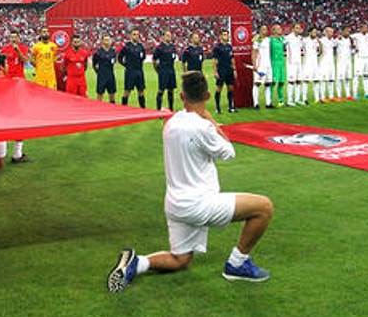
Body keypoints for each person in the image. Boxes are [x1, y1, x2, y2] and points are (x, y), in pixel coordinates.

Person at [106, 71, 274, 292]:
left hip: (175, 204)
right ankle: (237, 263)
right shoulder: (203, 127)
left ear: (182, 96)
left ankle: (137, 263)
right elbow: (229, 151)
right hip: (199, 204)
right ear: (207, 96)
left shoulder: (171, 122)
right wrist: (210, 118)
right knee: (264, 207)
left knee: (181, 260)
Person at [118, 29, 147, 108]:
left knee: (141, 91)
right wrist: (126, 65)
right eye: (134, 34)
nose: (136, 36)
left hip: (139, 71)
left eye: (137, 34)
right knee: (127, 91)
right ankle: (123, 108)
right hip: (130, 72)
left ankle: (143, 108)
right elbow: (120, 58)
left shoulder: (140, 46)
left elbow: (143, 56)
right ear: (131, 36)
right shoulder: (127, 46)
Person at [211, 29, 236, 113]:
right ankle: (218, 108)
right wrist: (215, 71)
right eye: (224, 34)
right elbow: (214, 60)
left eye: (227, 34)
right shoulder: (217, 47)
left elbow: (232, 58)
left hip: (229, 69)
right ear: (220, 36)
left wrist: (234, 69)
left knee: (230, 88)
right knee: (219, 88)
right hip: (221, 69)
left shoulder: (229, 46)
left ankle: (230, 107)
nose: (226, 36)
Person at [153, 31, 178, 111]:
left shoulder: (173, 47)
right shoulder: (159, 47)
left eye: (170, 35)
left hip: (171, 70)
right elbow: (154, 59)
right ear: (163, 37)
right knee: (161, 90)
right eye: (167, 35)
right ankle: (158, 109)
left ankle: (171, 108)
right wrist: (158, 70)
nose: (169, 37)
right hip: (163, 71)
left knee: (171, 90)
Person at [92, 34, 118, 103]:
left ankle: (112, 108)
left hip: (110, 75)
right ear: (102, 41)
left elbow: (114, 61)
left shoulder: (113, 51)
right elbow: (94, 64)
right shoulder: (98, 52)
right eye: (105, 40)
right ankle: (99, 108)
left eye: (108, 40)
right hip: (101, 76)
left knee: (112, 94)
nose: (107, 41)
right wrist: (98, 72)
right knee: (100, 94)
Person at [252, 25, 272, 109]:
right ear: (259, 31)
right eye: (263, 29)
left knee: (268, 83)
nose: (265, 31)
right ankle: (256, 103)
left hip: (268, 65)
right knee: (257, 83)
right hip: (260, 65)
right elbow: (254, 52)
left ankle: (268, 103)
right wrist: (254, 65)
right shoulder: (257, 39)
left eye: (266, 29)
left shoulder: (268, 40)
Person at [284, 23, 303, 106]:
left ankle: (297, 100)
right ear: (293, 29)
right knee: (291, 81)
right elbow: (281, 43)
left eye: (299, 28)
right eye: (297, 28)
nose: (299, 29)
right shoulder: (288, 37)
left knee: (298, 81)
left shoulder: (300, 38)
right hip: (291, 63)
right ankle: (289, 100)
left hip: (299, 62)